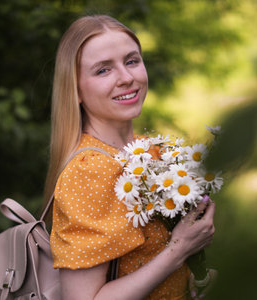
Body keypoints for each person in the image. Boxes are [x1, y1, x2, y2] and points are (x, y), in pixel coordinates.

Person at [44, 15, 216, 300]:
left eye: (132, 61)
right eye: (103, 70)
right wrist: (179, 250)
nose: (126, 78)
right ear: (74, 90)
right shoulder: (88, 171)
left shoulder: (150, 150)